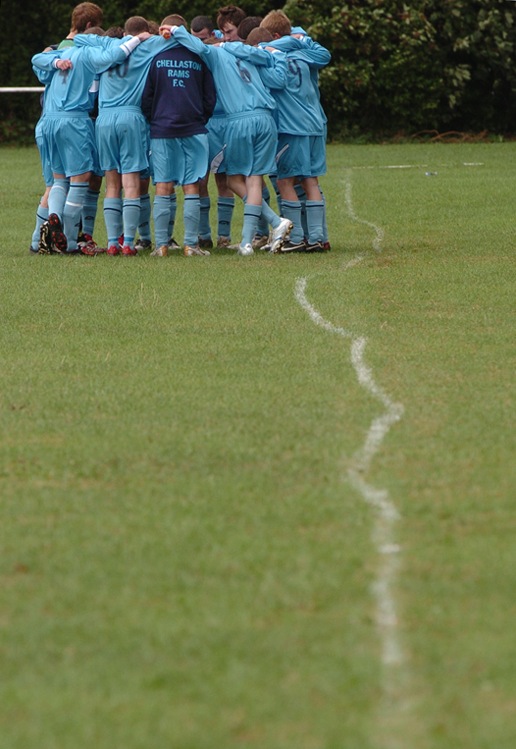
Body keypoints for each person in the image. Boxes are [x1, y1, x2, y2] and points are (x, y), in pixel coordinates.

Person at [160, 22, 292, 256]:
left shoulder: (216, 53)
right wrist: (277, 54)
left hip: (239, 120)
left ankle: (258, 234)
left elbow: (196, 45)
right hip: (266, 118)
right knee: (254, 179)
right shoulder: (250, 54)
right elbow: (277, 75)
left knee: (233, 179)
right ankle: (250, 240)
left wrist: (175, 29)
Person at [31, 29, 151, 254]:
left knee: (58, 180)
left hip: (47, 121)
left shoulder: (65, 53)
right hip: (74, 121)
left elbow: (37, 59)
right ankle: (68, 240)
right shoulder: (90, 56)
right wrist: (137, 39)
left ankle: (49, 223)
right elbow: (114, 56)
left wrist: (56, 61)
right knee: (81, 178)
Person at [75, 16, 184, 255]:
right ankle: (128, 244)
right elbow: (176, 40)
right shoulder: (147, 47)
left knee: (112, 184)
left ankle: (112, 243)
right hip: (131, 118)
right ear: (143, 31)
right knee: (132, 183)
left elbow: (78, 38)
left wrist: (126, 41)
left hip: (104, 120)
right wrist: (147, 38)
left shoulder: (106, 45)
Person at [141, 15, 217, 257]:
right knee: (191, 185)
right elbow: (209, 98)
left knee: (163, 186)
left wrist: (156, 120)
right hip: (193, 129)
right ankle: (190, 245)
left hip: (162, 129)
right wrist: (198, 119)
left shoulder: (157, 60)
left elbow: (147, 98)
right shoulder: (199, 58)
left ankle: (161, 245)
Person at [259, 10, 331, 252]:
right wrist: (301, 39)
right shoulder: (306, 55)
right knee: (310, 179)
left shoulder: (270, 56)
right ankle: (317, 238)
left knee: (285, 180)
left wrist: (269, 46)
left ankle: (296, 237)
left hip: (292, 128)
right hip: (316, 125)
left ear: (275, 36)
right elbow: (325, 55)